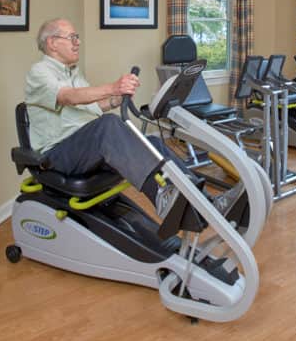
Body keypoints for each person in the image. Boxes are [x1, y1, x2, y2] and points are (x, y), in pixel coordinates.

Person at [24, 17, 185, 217]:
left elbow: (88, 107)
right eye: (72, 37)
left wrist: (114, 100)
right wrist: (113, 87)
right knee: (107, 125)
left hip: (85, 147)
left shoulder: (73, 72)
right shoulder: (39, 71)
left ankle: (199, 194)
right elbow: (69, 97)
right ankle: (163, 196)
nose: (78, 42)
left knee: (151, 142)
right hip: (58, 154)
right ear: (52, 43)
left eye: (77, 37)